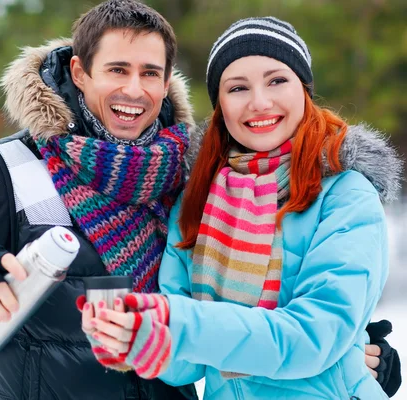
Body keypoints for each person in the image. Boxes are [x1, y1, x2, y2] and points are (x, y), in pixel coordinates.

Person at [83, 16, 403, 399]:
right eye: (237, 88)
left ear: (303, 88)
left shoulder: (345, 194)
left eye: (276, 80)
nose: (259, 102)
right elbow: (187, 366)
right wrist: (139, 337)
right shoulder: (198, 201)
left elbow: (314, 338)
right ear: (220, 104)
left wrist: (176, 322)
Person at [0, 1, 198, 399]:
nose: (134, 89)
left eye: (149, 73)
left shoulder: (187, 172)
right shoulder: (8, 168)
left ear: (165, 83)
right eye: (117, 70)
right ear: (80, 72)